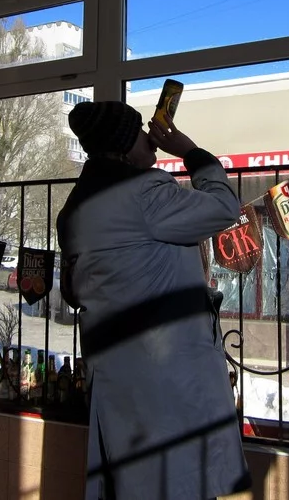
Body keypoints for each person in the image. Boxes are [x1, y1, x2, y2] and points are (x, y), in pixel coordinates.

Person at [57, 100, 251, 500]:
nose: (151, 139)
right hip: (167, 385)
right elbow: (223, 208)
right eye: (140, 133)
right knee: (178, 483)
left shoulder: (73, 210)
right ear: (123, 147)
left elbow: (73, 291)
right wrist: (191, 152)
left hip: (116, 379)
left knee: (131, 483)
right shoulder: (145, 194)